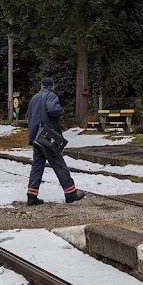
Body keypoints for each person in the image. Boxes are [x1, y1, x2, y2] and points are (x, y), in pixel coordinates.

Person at [25, 77, 83, 205]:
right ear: (52, 86)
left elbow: (28, 115)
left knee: (37, 166)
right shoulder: (51, 96)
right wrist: (61, 111)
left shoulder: (34, 98)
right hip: (46, 135)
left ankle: (31, 195)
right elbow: (53, 109)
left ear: (41, 86)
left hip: (35, 136)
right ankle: (70, 193)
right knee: (59, 163)